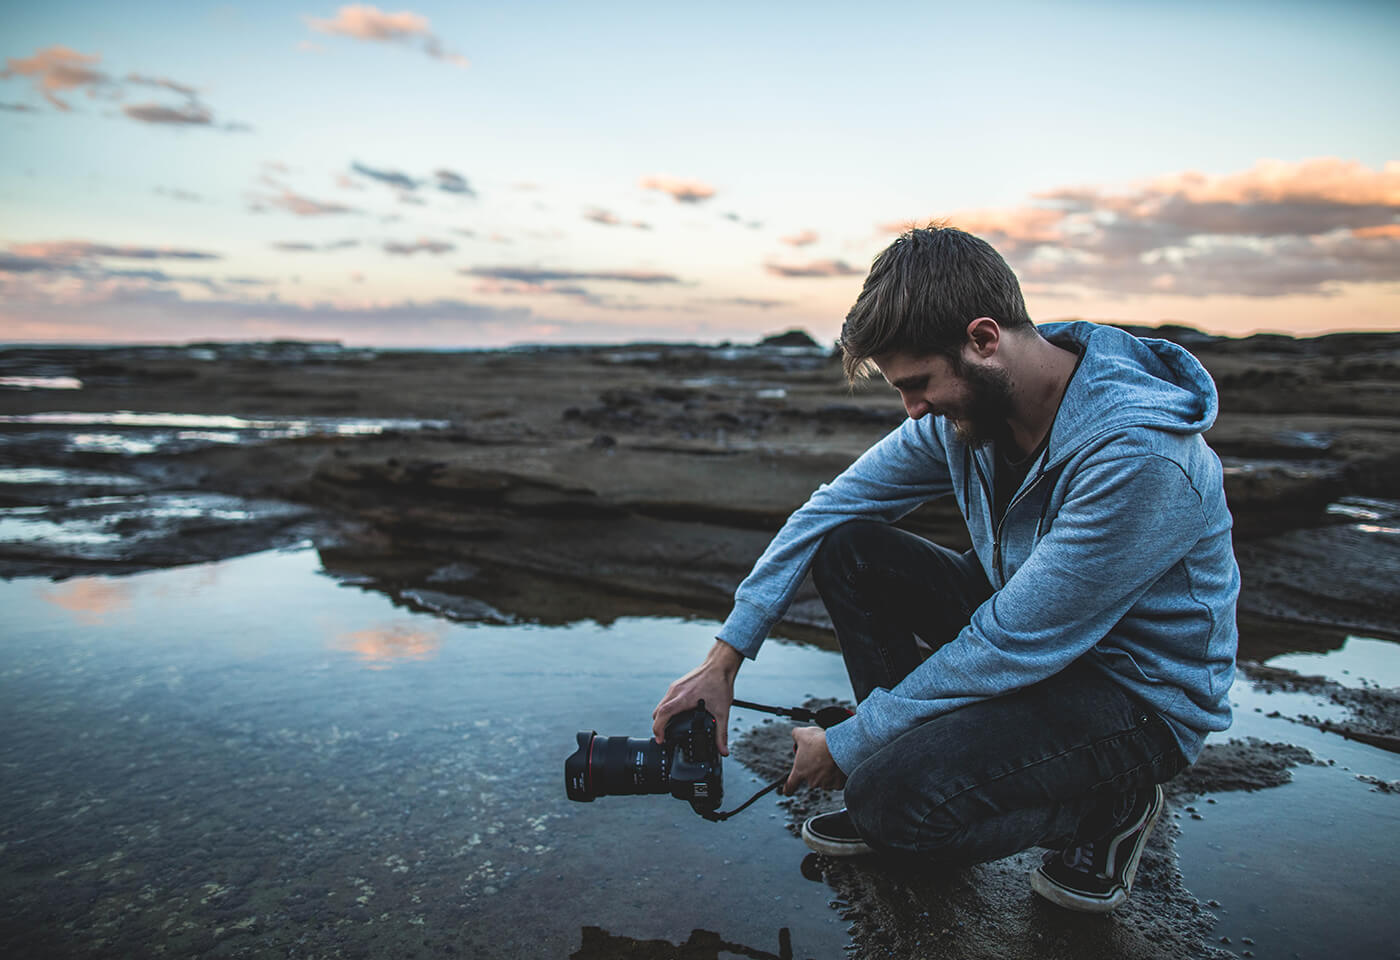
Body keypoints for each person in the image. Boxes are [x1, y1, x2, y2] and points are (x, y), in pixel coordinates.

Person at [652, 224, 1240, 913]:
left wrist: (850, 743)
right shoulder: (974, 408)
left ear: (984, 340)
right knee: (851, 546)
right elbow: (827, 511)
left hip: (1132, 696)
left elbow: (1010, 643)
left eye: (919, 384)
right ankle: (901, 762)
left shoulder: (1139, 455)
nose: (913, 410)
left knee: (889, 804)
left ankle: (1112, 807)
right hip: (1028, 632)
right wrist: (723, 660)